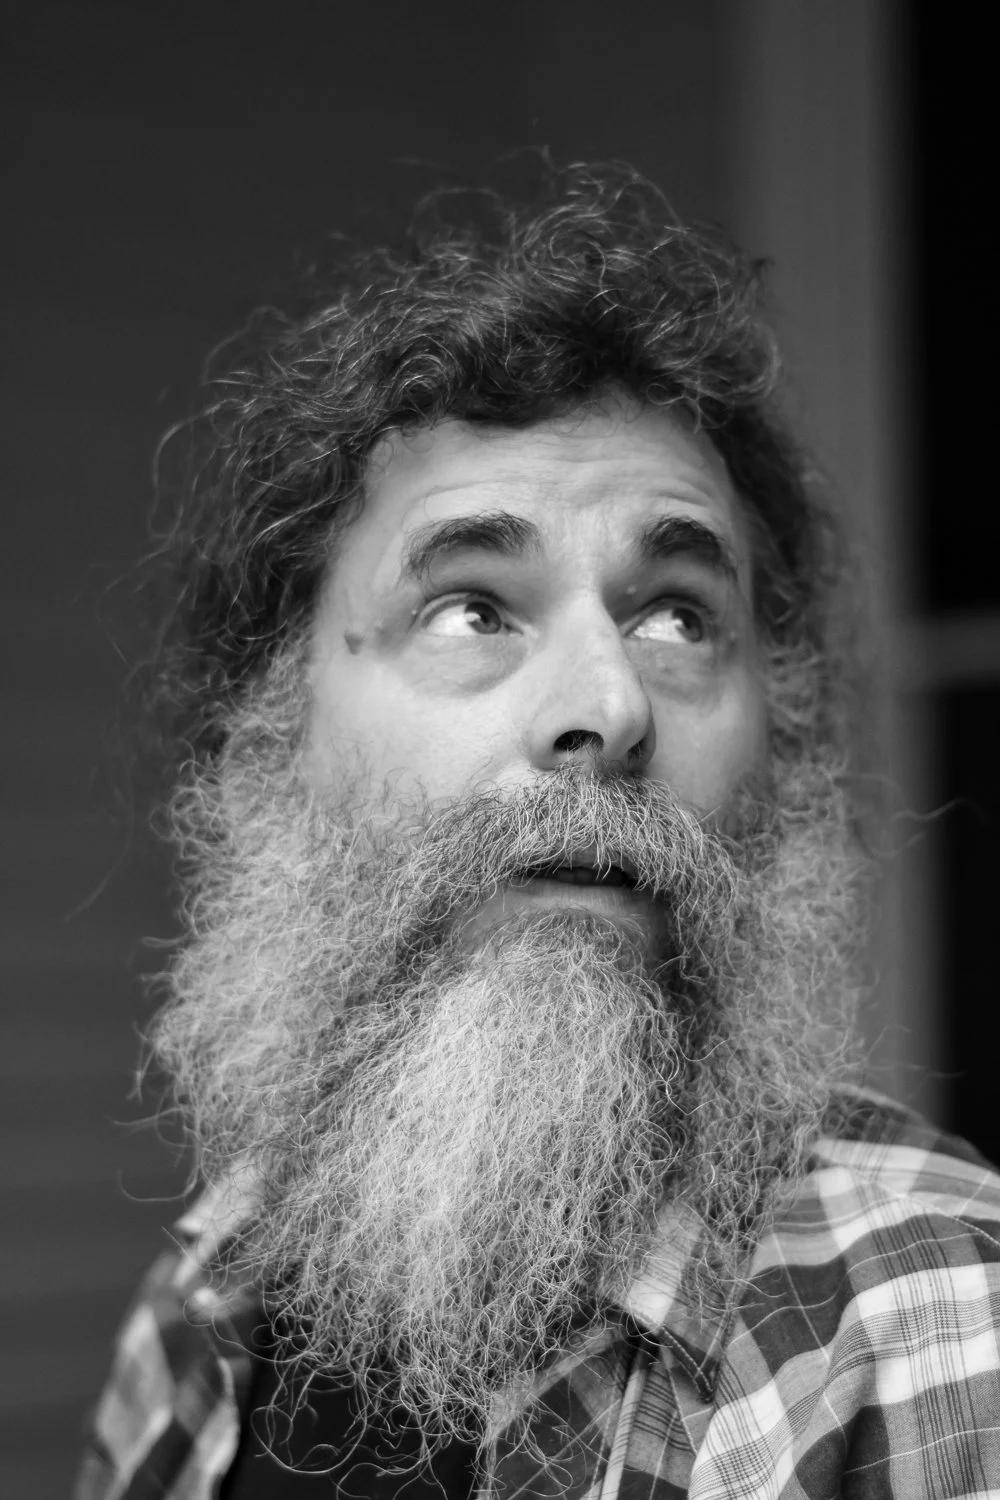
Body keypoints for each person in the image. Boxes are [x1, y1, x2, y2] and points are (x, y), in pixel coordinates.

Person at [76, 163, 1000, 1499]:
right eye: (474, 608)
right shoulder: (198, 1307)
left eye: (679, 615)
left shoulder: (942, 1339)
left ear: (777, 747)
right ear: (272, 728)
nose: (611, 707)